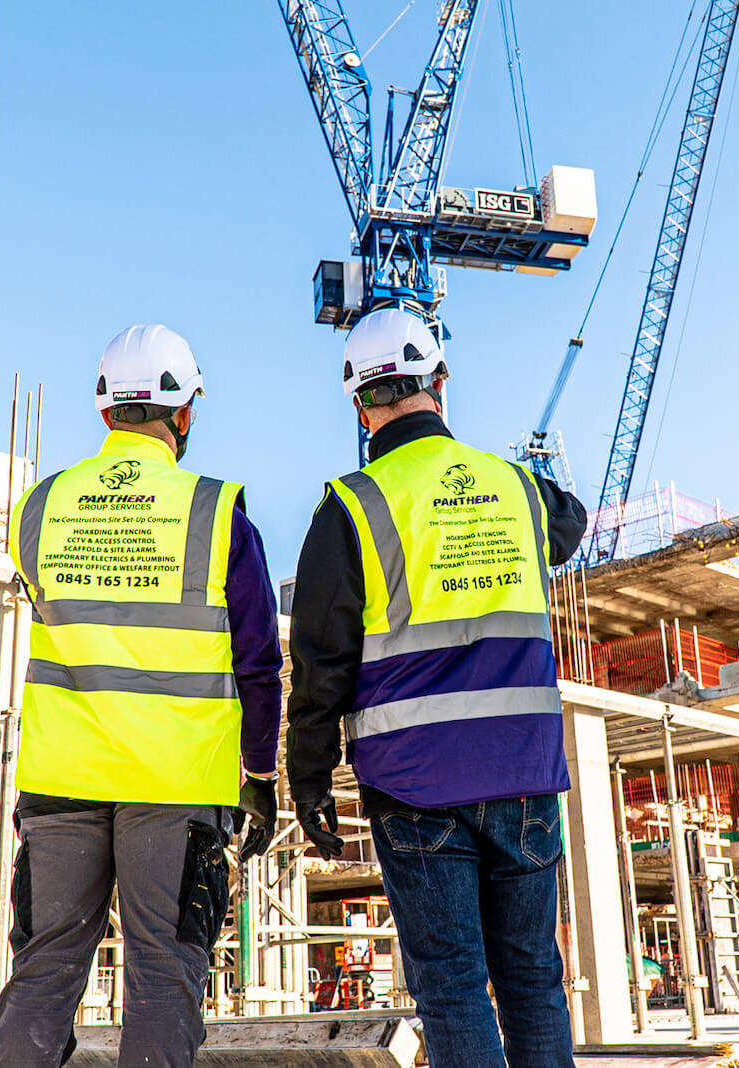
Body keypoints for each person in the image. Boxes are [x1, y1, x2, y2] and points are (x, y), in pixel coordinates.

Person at [285, 308, 588, 1068]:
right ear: (441, 383)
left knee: (452, 985)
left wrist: (310, 780)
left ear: (360, 404)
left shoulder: (350, 507)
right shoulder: (516, 488)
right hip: (522, 774)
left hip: (414, 786)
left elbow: (321, 664)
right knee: (533, 979)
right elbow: (572, 521)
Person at [0, 324, 283, 1068]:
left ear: (103, 411)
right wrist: (261, 775)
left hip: (61, 781)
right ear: (184, 413)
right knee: (162, 975)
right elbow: (259, 664)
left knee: (44, 970)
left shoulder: (40, 507)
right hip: (175, 786)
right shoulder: (219, 516)